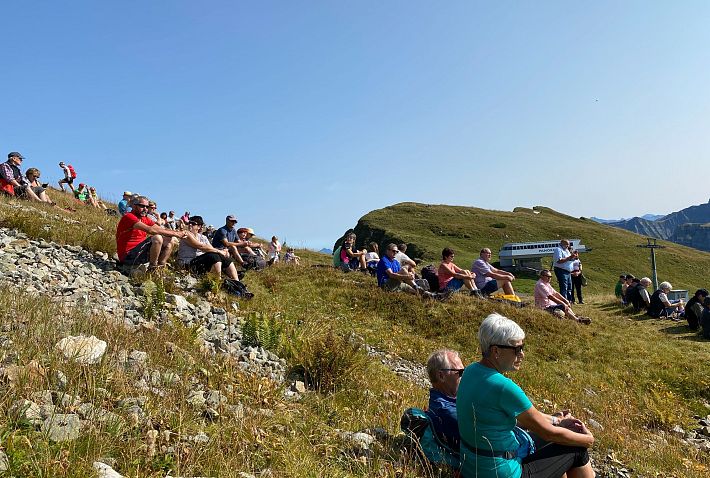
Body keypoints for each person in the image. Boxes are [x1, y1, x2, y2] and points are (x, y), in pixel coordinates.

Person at [457, 313, 595, 478]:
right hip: (503, 473)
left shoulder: (471, 371)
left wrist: (557, 421)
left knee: (561, 438)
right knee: (577, 449)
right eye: (517, 349)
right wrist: (588, 440)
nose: (522, 354)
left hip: (473, 467)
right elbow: (549, 434)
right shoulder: (504, 387)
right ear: (496, 351)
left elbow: (529, 418)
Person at [115, 195, 186, 269]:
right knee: (157, 238)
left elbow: (160, 228)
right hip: (127, 256)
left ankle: (160, 267)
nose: (145, 209)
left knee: (169, 240)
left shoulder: (144, 218)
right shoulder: (129, 216)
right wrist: (176, 234)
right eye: (142, 206)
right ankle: (153, 267)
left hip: (139, 252)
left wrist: (178, 232)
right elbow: (151, 230)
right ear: (134, 206)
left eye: (147, 206)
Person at [178, 215, 241, 280]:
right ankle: (218, 281)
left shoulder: (203, 237)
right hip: (187, 263)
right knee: (214, 256)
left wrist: (223, 251)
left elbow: (211, 248)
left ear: (199, 226)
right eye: (189, 223)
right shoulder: (186, 235)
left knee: (224, 257)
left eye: (193, 224)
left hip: (199, 262)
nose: (190, 225)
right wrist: (219, 251)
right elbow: (201, 246)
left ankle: (237, 282)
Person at [426, 349, 464, 450]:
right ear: (441, 376)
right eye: (460, 372)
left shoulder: (447, 401)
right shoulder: (445, 410)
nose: (463, 377)